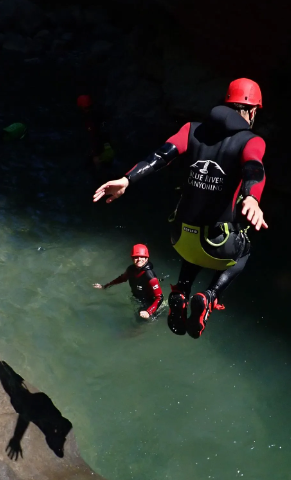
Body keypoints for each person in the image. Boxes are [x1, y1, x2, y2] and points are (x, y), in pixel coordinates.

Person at [93, 78, 267, 338]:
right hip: (217, 246)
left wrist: (126, 179)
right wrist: (251, 196)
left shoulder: (191, 129)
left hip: (180, 238)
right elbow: (253, 167)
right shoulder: (251, 141)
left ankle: (181, 290)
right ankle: (209, 297)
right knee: (244, 252)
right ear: (253, 111)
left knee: (193, 234)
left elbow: (161, 156)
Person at [93, 244, 163, 319]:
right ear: (132, 258)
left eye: (142, 257)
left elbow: (160, 297)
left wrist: (148, 312)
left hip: (149, 303)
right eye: (136, 257)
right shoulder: (131, 269)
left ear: (146, 258)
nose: (139, 259)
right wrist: (105, 286)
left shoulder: (149, 275)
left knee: (140, 321)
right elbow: (121, 279)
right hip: (137, 298)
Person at [77, 94, 115, 180]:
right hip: (108, 146)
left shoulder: (90, 119)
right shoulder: (99, 114)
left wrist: (95, 154)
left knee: (97, 172)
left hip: (100, 150)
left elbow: (94, 137)